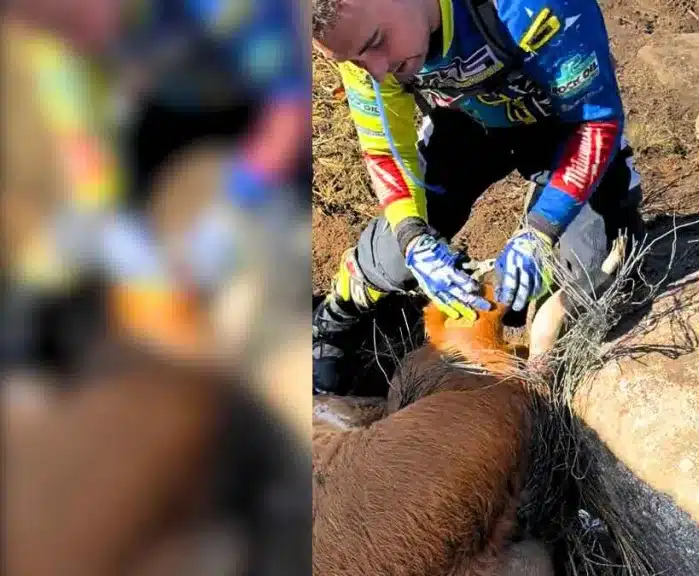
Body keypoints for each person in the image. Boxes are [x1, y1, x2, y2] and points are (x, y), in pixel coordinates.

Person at [311, 0, 645, 394]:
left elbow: (596, 119)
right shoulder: (362, 46)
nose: (378, 70)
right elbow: (387, 152)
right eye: (353, 60)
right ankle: (337, 314)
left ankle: (542, 236)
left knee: (596, 264)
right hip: (466, 122)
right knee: (392, 253)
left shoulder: (529, 6)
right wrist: (413, 239)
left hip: (564, 126)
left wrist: (543, 227)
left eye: (377, 41)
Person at [4, 0, 309, 356]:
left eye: (69, 19)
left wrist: (241, 199)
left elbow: (290, 103)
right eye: (49, 30)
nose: (70, 40)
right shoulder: (57, 45)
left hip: (255, 106)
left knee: (274, 273)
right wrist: (106, 221)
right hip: (169, 110)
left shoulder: (221, 6)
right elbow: (88, 146)